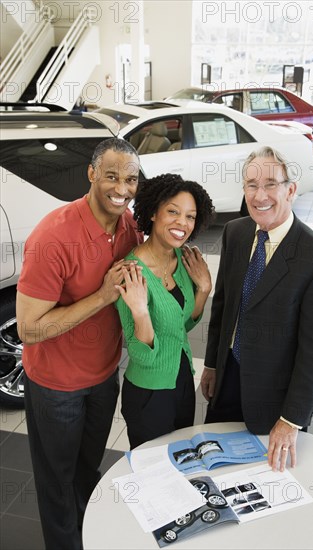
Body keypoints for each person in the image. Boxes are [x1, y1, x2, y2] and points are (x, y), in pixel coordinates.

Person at [16, 137, 143, 550]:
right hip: (56, 387)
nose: (121, 188)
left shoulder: (128, 226)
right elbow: (28, 329)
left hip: (104, 377)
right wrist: (103, 296)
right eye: (111, 176)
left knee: (89, 472)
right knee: (57, 481)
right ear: (91, 174)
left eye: (130, 179)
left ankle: (88, 537)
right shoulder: (54, 237)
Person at [201, 146, 313, 473]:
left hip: (274, 397)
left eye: (270, 184)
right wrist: (211, 364)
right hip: (227, 379)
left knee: (263, 483)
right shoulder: (236, 233)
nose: (259, 195)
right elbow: (223, 306)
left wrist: (291, 419)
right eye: (251, 185)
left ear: (291, 190)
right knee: (216, 468)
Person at [115, 173, 214, 449]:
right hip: (150, 392)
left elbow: (182, 326)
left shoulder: (182, 259)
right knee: (154, 473)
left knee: (183, 460)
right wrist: (140, 313)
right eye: (173, 212)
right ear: (154, 213)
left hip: (183, 381)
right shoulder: (131, 272)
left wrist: (203, 289)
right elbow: (140, 355)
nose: (182, 223)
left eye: (190, 216)